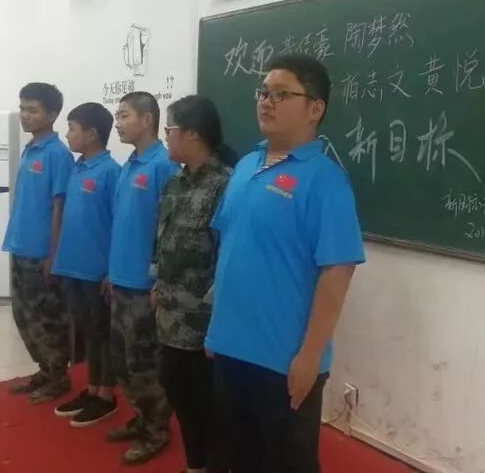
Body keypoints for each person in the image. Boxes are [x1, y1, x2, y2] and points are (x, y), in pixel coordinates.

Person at [205, 54, 366, 473]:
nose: (266, 101)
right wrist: (216, 326)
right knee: (238, 458)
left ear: (315, 109)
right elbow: (230, 248)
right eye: (263, 92)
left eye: (281, 94)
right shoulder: (246, 166)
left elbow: (338, 271)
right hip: (230, 347)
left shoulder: (326, 180)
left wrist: (310, 356)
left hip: (282, 359)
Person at [154, 95, 232, 473]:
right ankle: (196, 463)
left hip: (203, 323)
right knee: (179, 394)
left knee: (209, 405)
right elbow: (165, 241)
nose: (166, 137)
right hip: (170, 315)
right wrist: (157, 284)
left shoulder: (225, 185)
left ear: (193, 134)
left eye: (170, 129)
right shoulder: (176, 183)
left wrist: (216, 318)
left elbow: (227, 258)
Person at [105, 91, 179, 465]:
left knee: (145, 364)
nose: (117, 123)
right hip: (120, 280)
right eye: (117, 116)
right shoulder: (129, 164)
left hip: (144, 286)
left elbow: (169, 231)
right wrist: (111, 271)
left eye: (124, 115)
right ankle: (141, 417)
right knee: (122, 361)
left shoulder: (164, 165)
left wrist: (158, 281)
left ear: (147, 120)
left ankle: (156, 430)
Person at [4, 82, 74, 404]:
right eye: (22, 108)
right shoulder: (30, 148)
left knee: (47, 318)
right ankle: (45, 369)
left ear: (52, 115)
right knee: (23, 315)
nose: (25, 115)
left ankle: (58, 375)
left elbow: (60, 208)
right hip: (20, 246)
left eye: (32, 110)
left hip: (42, 252)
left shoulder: (58, 154)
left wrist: (54, 256)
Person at [51, 103, 121, 426]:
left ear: (92, 134)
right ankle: (92, 388)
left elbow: (118, 224)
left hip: (96, 270)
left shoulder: (111, 171)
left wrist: (111, 269)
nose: (67, 135)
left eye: (72, 128)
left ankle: (106, 395)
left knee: (102, 332)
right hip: (72, 266)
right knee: (87, 332)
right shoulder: (77, 168)